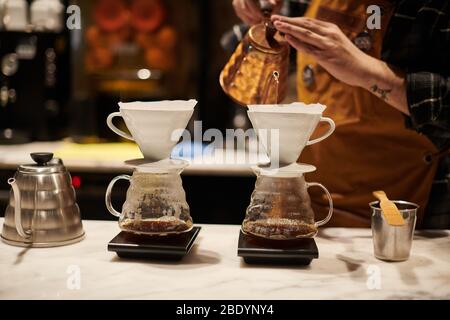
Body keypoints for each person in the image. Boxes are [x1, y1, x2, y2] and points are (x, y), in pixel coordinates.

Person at [232, 0, 450, 228]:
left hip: (400, 218)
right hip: (309, 204)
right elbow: (281, 20)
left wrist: (365, 71)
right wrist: (260, 11)